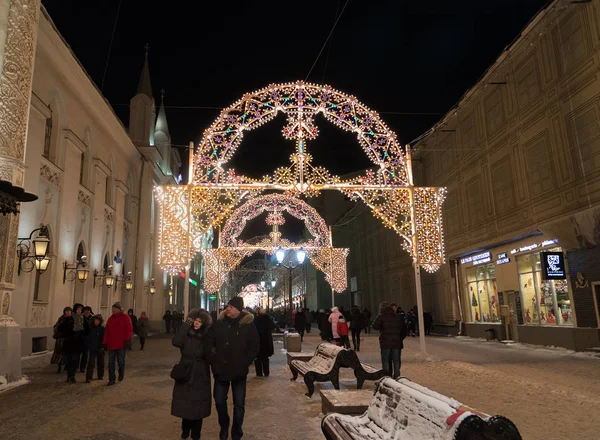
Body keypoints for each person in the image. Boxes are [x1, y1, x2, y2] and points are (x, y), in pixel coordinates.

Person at [206, 296, 259, 440]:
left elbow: (254, 347)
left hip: (238, 372)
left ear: (237, 309)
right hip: (220, 370)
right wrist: (214, 359)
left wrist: (244, 361)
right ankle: (224, 425)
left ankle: (236, 431)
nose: (227, 309)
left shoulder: (248, 325)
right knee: (219, 401)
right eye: (227, 306)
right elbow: (209, 344)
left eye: (230, 307)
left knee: (239, 404)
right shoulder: (219, 324)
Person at [171, 309, 213, 440]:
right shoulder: (186, 334)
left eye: (200, 321)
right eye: (195, 320)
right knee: (185, 402)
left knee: (198, 403)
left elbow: (211, 352)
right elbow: (176, 341)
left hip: (200, 372)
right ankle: (185, 429)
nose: (196, 323)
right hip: (186, 370)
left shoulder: (206, 336)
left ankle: (196, 432)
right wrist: (186, 324)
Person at [372, 301, 407, 379]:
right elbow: (404, 329)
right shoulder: (398, 317)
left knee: (385, 360)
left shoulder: (381, 316)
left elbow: (375, 326)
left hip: (385, 342)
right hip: (396, 342)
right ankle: (397, 376)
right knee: (396, 360)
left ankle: (386, 376)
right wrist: (400, 338)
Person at [103, 302, 133, 386]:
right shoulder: (110, 319)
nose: (113, 310)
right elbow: (107, 332)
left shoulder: (125, 318)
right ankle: (111, 379)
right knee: (110, 362)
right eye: (113, 309)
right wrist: (105, 342)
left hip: (121, 344)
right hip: (111, 344)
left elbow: (129, 329)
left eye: (115, 309)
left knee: (120, 361)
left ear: (119, 309)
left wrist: (127, 340)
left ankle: (121, 372)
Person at [253, 308, 275, 377]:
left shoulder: (256, 320)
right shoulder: (268, 319)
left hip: (258, 341)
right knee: (265, 358)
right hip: (266, 341)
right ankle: (266, 372)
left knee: (258, 358)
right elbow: (273, 327)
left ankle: (259, 373)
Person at [51, 307, 71, 374]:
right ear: (64, 312)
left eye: (69, 311)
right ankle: (59, 368)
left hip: (69, 339)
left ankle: (67, 367)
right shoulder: (61, 319)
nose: (68, 312)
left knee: (68, 354)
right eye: (67, 311)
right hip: (61, 339)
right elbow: (56, 327)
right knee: (59, 353)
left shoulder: (72, 319)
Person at [85, 314, 105, 383]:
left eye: (98, 320)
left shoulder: (102, 329)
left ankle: (100, 376)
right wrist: (89, 345)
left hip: (100, 348)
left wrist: (102, 346)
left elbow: (104, 338)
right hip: (92, 348)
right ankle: (88, 377)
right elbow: (88, 337)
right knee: (91, 363)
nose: (96, 322)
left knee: (101, 363)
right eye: (95, 320)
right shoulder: (90, 328)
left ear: (100, 321)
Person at [80, 306, 94, 373]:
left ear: (90, 311)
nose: (86, 311)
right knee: (77, 353)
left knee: (85, 354)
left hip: (87, 338)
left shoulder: (92, 318)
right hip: (80, 337)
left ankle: (82, 367)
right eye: (85, 310)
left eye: (88, 310)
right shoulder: (80, 317)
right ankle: (75, 366)